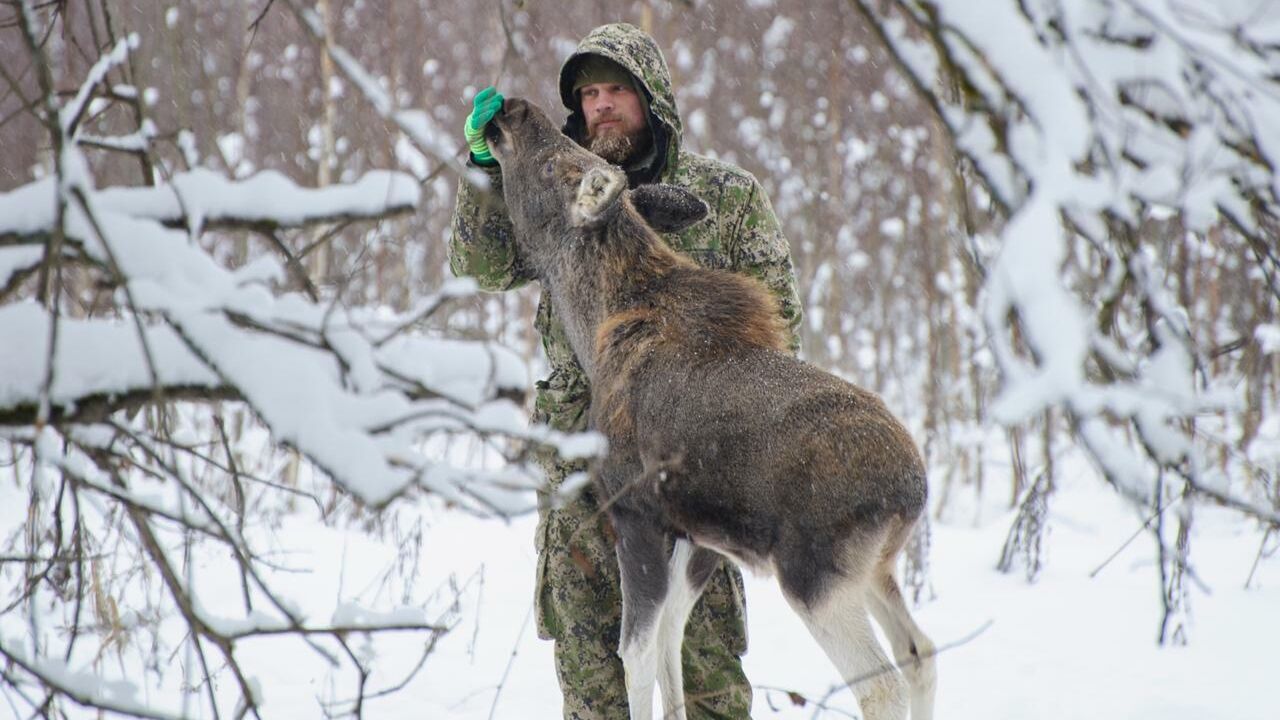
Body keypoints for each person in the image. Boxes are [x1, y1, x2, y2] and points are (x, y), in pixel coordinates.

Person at [449, 22, 802, 719]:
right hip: (581, 465)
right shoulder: (554, 186)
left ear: (652, 99)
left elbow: (777, 320)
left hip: (689, 463)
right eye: (589, 95)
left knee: (702, 680)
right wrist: (489, 167)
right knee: (595, 683)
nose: (602, 106)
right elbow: (480, 267)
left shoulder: (722, 194)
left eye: (617, 91)